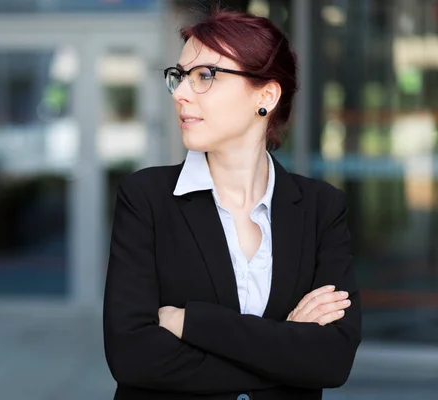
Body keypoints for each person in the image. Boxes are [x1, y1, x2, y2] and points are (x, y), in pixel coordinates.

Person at [103, 7, 361, 400]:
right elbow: (133, 356)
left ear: (266, 95)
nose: (181, 93)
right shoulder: (147, 198)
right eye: (180, 76)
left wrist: (193, 323)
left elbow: (332, 360)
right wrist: (287, 348)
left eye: (205, 76)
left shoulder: (321, 209)